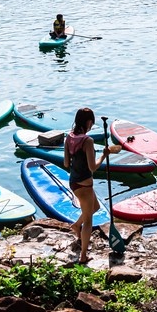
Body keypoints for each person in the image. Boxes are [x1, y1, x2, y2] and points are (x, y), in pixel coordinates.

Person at [64, 107, 120, 265]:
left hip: (73, 182)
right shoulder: (87, 141)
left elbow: (66, 163)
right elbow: (92, 167)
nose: (91, 126)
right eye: (91, 123)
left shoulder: (69, 137)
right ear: (89, 122)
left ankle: (76, 225)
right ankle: (83, 255)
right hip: (85, 186)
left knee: (94, 207)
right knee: (89, 219)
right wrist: (104, 155)